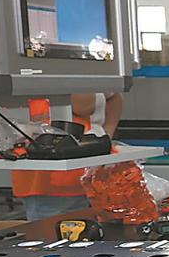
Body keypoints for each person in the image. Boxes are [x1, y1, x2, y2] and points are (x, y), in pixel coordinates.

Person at [10, 91, 123, 220]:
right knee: (55, 227)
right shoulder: (58, 79)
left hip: (91, 169)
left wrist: (106, 136)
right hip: (52, 175)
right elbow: (84, 106)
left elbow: (113, 96)